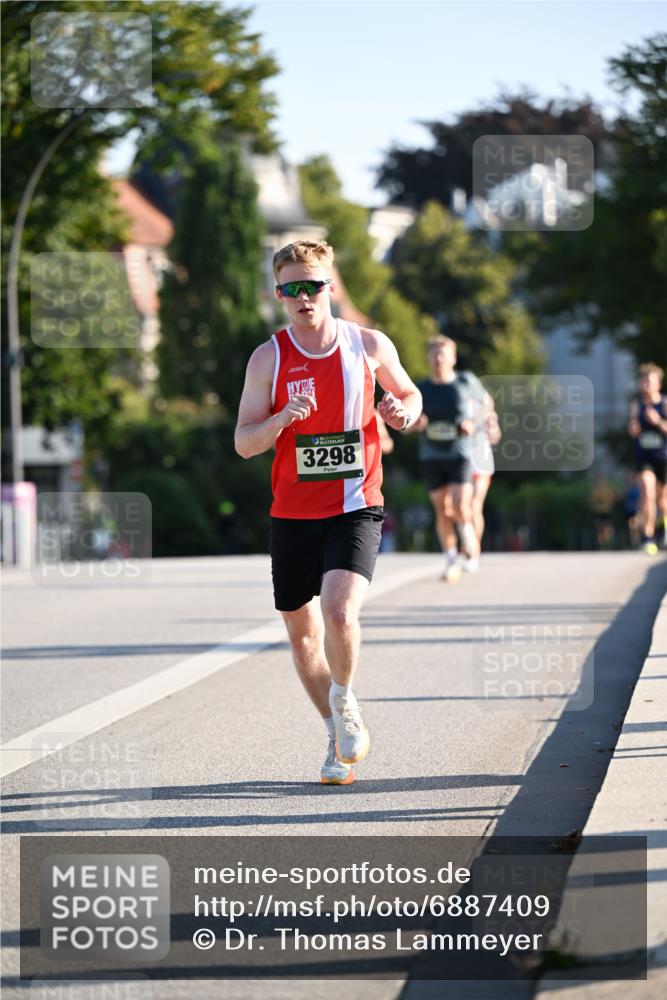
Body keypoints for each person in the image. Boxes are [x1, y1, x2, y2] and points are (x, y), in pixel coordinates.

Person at [234, 240, 422, 785]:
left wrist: (401, 414)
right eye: (291, 288)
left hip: (357, 504)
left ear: (329, 287)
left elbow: (409, 396)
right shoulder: (268, 357)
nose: (303, 297)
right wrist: (281, 420)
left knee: (340, 614)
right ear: (279, 295)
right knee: (303, 637)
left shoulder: (367, 344)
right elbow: (245, 442)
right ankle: (333, 736)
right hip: (293, 513)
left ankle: (344, 701)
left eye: (312, 285)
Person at [407, 335, 487, 582]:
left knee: (461, 504)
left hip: (460, 452)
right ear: (429, 358)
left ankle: (467, 536)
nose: (439, 358)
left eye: (444, 354)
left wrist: (473, 423)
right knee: (442, 508)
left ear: (453, 358)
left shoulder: (466, 381)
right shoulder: (420, 389)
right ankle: (451, 556)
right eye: (434, 354)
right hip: (432, 455)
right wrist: (415, 425)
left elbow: (487, 405)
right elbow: (405, 424)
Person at [628, 363, 667, 555]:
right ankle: (648, 537)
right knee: (647, 494)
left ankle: (663, 530)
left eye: (649, 381)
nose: (645, 385)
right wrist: (633, 429)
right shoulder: (637, 405)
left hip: (663, 458)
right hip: (645, 458)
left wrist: (658, 422)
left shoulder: (665, 404)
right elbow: (633, 427)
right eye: (642, 381)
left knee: (663, 502)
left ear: (658, 384)